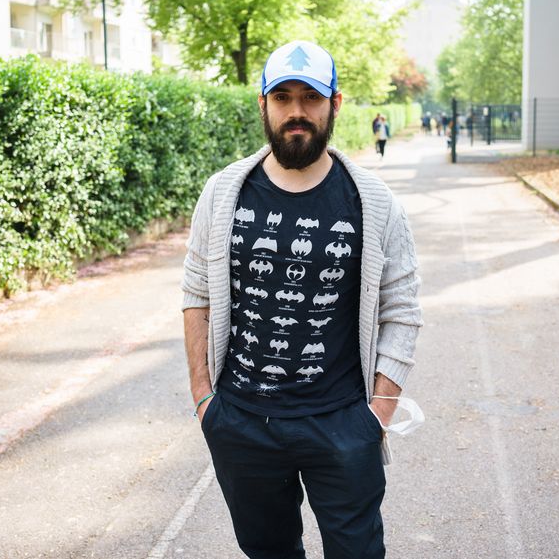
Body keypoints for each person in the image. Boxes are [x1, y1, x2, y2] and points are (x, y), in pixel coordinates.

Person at [181, 40, 422, 559]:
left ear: (335, 104)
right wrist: (204, 397)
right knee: (268, 552)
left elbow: (403, 310)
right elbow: (196, 291)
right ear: (262, 103)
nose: (296, 112)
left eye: (310, 97)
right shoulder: (224, 192)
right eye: (282, 97)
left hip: (341, 422)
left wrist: (378, 412)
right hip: (241, 421)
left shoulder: (374, 204)